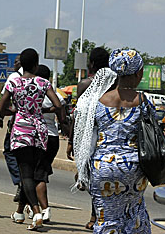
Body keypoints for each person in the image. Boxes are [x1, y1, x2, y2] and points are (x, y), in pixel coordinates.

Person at [74, 49, 154, 233]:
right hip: (134, 167)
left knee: (106, 219)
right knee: (134, 216)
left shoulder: (98, 101)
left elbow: (89, 137)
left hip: (102, 168)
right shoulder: (142, 101)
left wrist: (82, 168)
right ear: (138, 73)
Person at [0, 48, 62, 231]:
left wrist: (14, 112)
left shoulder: (14, 82)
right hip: (40, 131)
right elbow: (57, 105)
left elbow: (1, 108)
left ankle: (36, 211)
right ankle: (25, 211)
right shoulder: (43, 83)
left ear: (22, 65)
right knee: (33, 173)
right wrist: (41, 111)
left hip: (21, 131)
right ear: (36, 64)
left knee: (25, 174)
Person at [67, 47, 112, 230]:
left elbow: (78, 116)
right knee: (99, 178)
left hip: (89, 137)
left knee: (92, 178)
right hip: (108, 136)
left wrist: (71, 141)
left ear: (91, 63)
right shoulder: (114, 83)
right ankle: (97, 215)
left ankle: (95, 216)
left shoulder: (84, 84)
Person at [32, 64, 66, 223]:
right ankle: (29, 207)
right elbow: (63, 116)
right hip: (53, 138)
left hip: (38, 137)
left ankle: (45, 209)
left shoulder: (33, 92)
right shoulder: (56, 96)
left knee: (38, 175)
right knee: (39, 172)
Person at [0, 56, 22, 202]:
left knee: (9, 151)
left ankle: (20, 181)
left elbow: (3, 103)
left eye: (17, 61)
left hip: (17, 125)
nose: (14, 63)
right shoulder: (39, 79)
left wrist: (0, 117)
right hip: (38, 127)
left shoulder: (14, 77)